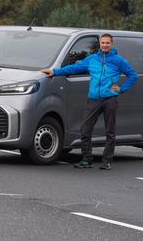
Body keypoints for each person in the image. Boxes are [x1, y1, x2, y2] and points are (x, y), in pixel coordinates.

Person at [41, 33, 137, 170]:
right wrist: (54, 72)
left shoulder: (118, 60)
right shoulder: (92, 59)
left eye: (107, 43)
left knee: (110, 131)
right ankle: (87, 159)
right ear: (100, 44)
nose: (105, 45)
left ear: (112, 44)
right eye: (103, 43)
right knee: (85, 129)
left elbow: (133, 75)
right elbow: (74, 68)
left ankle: (107, 161)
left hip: (110, 98)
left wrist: (121, 89)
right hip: (93, 99)